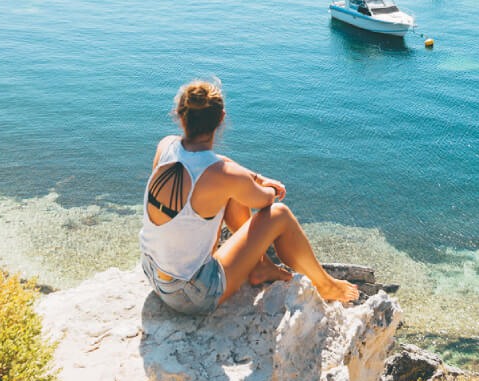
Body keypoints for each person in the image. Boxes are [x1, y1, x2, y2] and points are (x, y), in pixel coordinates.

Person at [139, 80, 359, 316]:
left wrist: (255, 176)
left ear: (180, 116)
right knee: (280, 214)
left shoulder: (166, 146)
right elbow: (264, 202)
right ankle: (326, 285)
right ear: (221, 118)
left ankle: (262, 266)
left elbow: (217, 163)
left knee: (234, 189)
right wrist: (270, 189)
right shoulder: (224, 176)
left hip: (153, 272)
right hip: (191, 295)